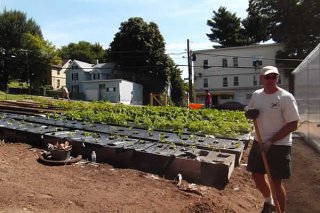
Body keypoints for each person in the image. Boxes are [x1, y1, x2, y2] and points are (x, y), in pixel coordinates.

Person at [245, 66, 300, 213]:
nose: (271, 80)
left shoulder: (286, 97)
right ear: (261, 78)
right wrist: (248, 113)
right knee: (256, 176)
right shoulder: (257, 95)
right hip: (259, 141)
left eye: (274, 77)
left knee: (276, 182)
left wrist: (271, 141)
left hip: (279, 145)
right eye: (267, 77)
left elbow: (293, 124)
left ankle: (279, 210)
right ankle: (269, 202)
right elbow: (248, 110)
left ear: (277, 79)